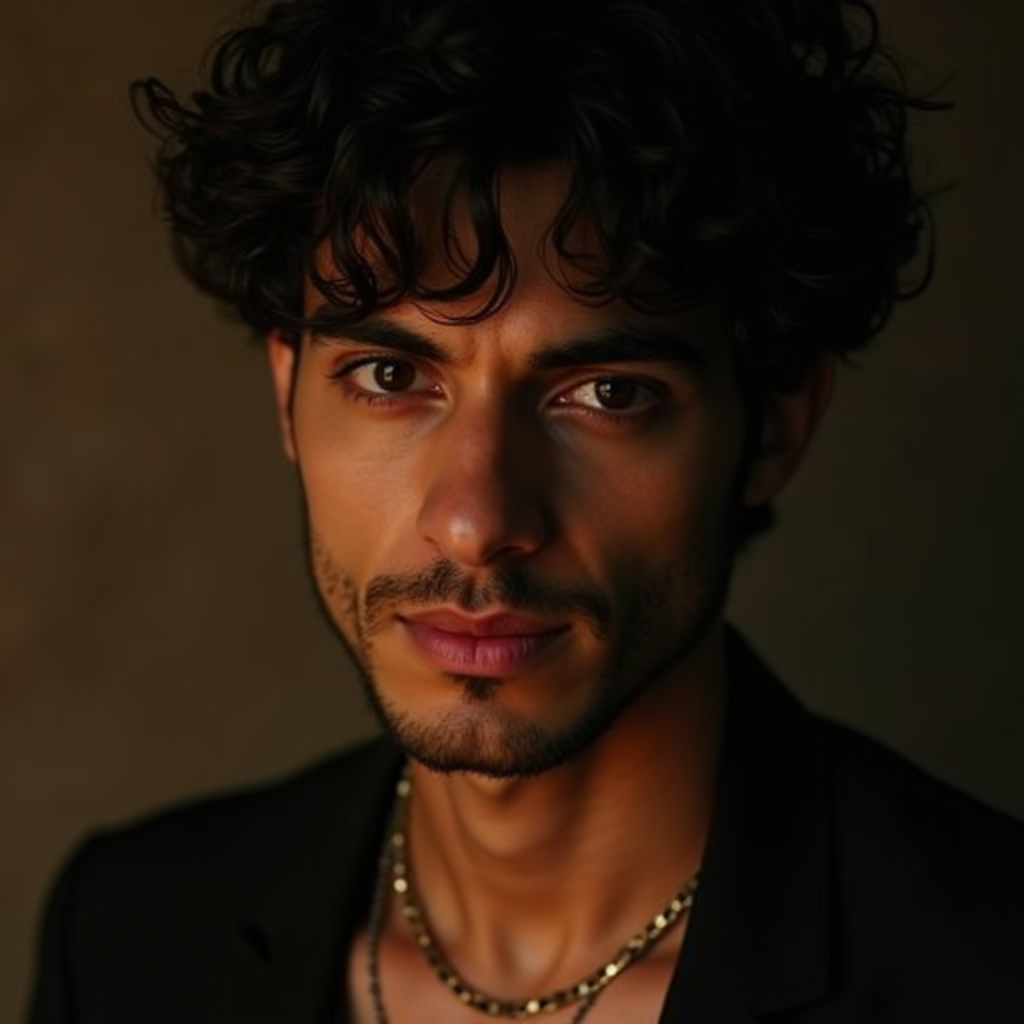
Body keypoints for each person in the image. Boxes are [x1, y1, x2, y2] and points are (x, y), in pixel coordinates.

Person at [28, 1, 1023, 1022]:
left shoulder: (986, 968)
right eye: (388, 373)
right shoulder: (125, 939)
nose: (476, 519)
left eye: (606, 393)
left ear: (772, 427)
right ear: (288, 395)